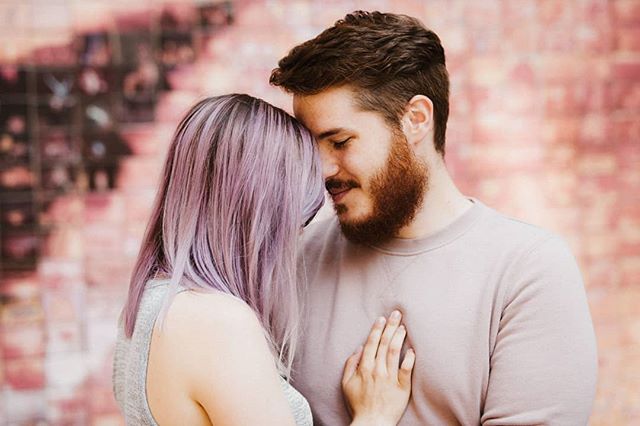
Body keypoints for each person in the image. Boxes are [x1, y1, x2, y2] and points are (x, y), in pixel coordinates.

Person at [270, 11, 598, 425]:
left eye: (340, 141)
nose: (322, 170)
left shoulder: (527, 271)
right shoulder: (296, 258)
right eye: (310, 146)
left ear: (416, 119)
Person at [112, 94, 416, 425]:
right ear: (261, 214)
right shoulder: (218, 323)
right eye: (296, 217)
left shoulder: (150, 305)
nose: (296, 235)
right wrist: (375, 416)